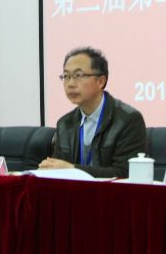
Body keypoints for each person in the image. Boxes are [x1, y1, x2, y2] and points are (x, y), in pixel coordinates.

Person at [39, 46, 148, 179]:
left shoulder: (128, 120)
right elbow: (58, 169)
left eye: (78, 75)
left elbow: (125, 173)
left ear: (101, 81)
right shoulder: (65, 124)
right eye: (66, 76)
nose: (70, 84)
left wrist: (73, 170)